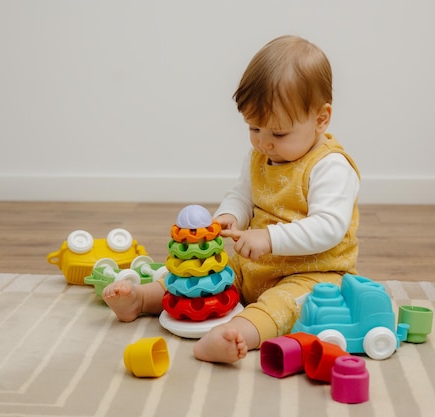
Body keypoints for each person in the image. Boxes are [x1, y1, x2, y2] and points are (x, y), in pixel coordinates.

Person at [103, 35, 361, 364]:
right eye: (254, 128)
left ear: (321, 119)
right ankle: (142, 299)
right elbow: (242, 193)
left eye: (278, 134)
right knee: (206, 277)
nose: (264, 143)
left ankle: (235, 334)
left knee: (281, 305)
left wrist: (268, 238)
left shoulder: (331, 167)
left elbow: (329, 228)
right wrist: (231, 216)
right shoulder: (259, 155)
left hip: (314, 273)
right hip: (254, 263)